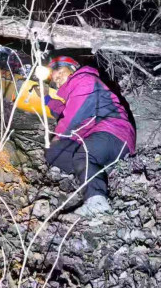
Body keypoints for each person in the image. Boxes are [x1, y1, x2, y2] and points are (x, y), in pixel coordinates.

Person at [43, 55, 135, 216]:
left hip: (116, 133)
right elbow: (67, 111)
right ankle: (94, 170)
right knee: (53, 152)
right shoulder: (75, 90)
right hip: (98, 137)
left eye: (60, 73)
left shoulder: (84, 80)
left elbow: (72, 117)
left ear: (73, 69)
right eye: (54, 79)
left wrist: (59, 135)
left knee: (83, 154)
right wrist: (48, 100)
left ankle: (97, 202)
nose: (57, 80)